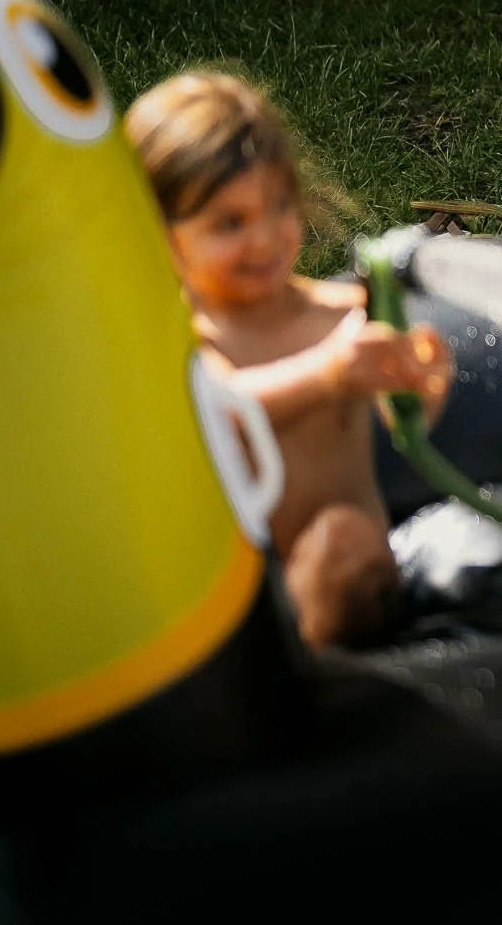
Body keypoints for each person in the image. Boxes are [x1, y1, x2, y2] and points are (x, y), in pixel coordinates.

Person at [128, 71, 452, 649]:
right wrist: (329, 374)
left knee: (340, 542)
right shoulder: (180, 340)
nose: (265, 239)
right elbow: (218, 414)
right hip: (226, 615)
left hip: (351, 591)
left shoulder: (339, 315)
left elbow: (403, 427)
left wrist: (419, 387)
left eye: (279, 207)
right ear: (160, 235)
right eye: (229, 223)